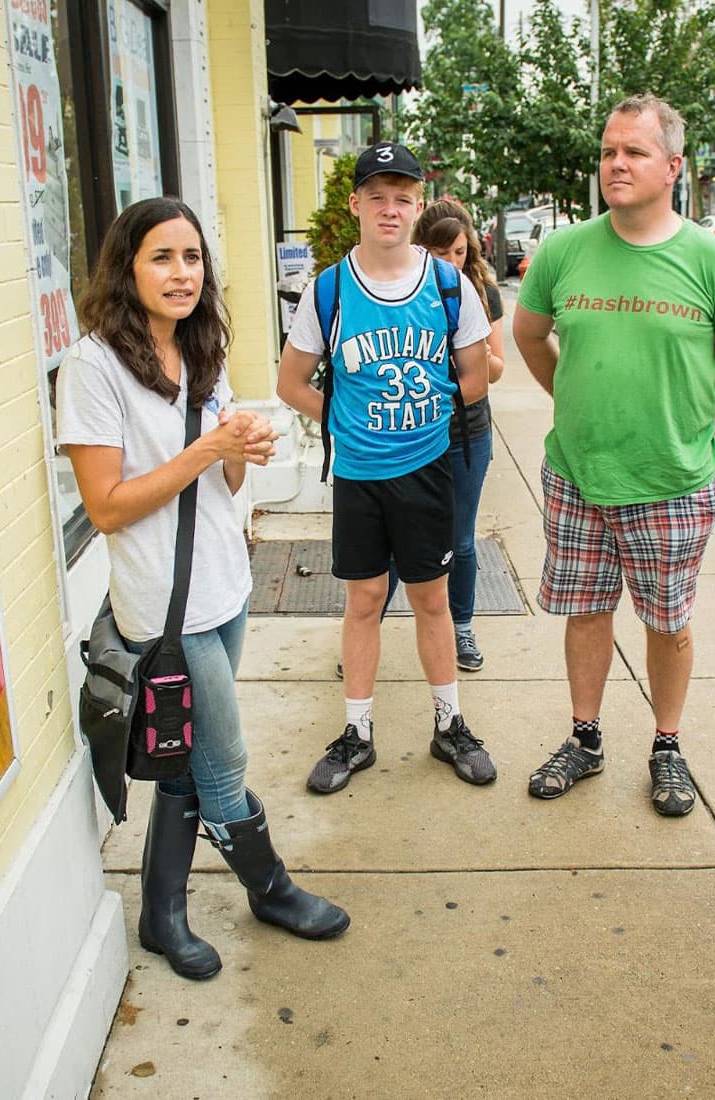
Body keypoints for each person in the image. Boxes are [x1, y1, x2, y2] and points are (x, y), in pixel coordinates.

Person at [58, 196, 349, 982]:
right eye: (162, 257)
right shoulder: (93, 367)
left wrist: (243, 447)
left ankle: (161, 916)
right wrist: (208, 448)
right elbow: (106, 505)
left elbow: (220, 480)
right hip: (164, 606)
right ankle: (272, 888)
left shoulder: (197, 348)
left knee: (183, 760)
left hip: (224, 584)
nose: (181, 274)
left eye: (192, 258)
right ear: (126, 267)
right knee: (223, 762)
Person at [513, 94, 715, 816]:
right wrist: (570, 399)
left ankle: (667, 745)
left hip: (670, 480)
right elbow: (529, 334)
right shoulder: (565, 250)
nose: (615, 164)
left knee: (667, 623)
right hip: (577, 474)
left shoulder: (710, 259)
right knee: (585, 613)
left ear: (672, 165)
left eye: (633, 152)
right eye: (609, 151)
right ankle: (586, 738)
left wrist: (699, 407)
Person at [277, 142, 496, 796]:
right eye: (378, 196)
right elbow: (291, 383)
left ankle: (449, 724)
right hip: (360, 477)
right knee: (365, 599)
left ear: (418, 204)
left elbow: (477, 374)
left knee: (431, 598)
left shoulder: (448, 284)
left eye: (403, 197)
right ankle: (358, 732)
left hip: (429, 467)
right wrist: (341, 420)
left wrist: (427, 412)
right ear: (356, 204)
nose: (391, 209)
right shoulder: (332, 288)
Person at [413, 199, 505, 671]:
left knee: (461, 539)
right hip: (412, 430)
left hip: (467, 432)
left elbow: (498, 367)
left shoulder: (481, 292)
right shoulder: (403, 291)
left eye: (459, 253)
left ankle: (462, 629)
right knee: (399, 536)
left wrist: (475, 354)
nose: (451, 263)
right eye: (441, 252)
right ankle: (365, 626)